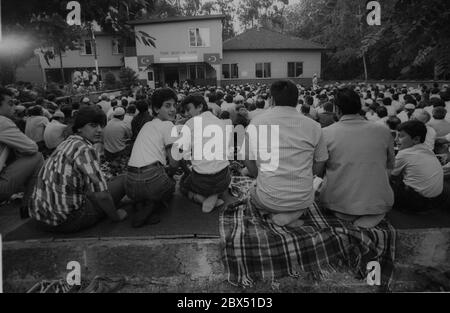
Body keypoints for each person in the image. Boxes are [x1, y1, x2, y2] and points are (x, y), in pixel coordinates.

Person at [29, 106, 127, 233]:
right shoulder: (85, 148)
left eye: (101, 126)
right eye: (93, 125)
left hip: (41, 218)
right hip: (67, 220)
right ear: (80, 127)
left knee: (104, 185)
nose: (99, 130)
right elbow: (102, 195)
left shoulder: (66, 142)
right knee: (123, 179)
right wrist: (116, 217)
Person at [244, 80, 328, 227]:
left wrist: (260, 177)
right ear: (297, 101)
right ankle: (293, 214)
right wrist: (307, 176)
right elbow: (320, 162)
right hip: (303, 198)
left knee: (252, 188)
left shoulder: (257, 122)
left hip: (268, 198)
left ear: (272, 100)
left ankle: (277, 214)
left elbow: (247, 159)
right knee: (309, 193)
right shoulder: (314, 126)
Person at [320, 88, 395, 228]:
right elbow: (391, 166)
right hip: (378, 203)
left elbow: (318, 171)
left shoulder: (326, 133)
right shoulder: (383, 131)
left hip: (339, 205)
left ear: (336, 109)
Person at [125, 88, 179, 227]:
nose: (173, 109)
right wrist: (171, 172)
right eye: (167, 105)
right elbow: (174, 163)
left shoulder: (147, 125)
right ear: (156, 108)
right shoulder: (168, 124)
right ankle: (150, 207)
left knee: (157, 177)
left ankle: (141, 203)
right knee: (171, 184)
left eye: (174, 105)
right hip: (151, 181)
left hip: (129, 184)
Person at [178, 94, 231, 213]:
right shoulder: (221, 122)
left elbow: (182, 154)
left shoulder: (190, 123)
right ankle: (215, 194)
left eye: (188, 109)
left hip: (201, 181)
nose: (186, 114)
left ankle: (201, 198)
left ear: (200, 106)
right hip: (223, 178)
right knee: (223, 172)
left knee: (182, 184)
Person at [0, 87, 44, 217]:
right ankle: (28, 207)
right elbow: (32, 147)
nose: (15, 107)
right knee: (37, 156)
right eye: (10, 103)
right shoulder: (2, 122)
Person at [391, 120, 444, 213]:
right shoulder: (428, 150)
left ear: (416, 139)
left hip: (415, 202)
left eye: (400, 136)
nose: (396, 140)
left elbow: (389, 175)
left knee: (383, 178)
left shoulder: (404, 153)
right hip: (435, 200)